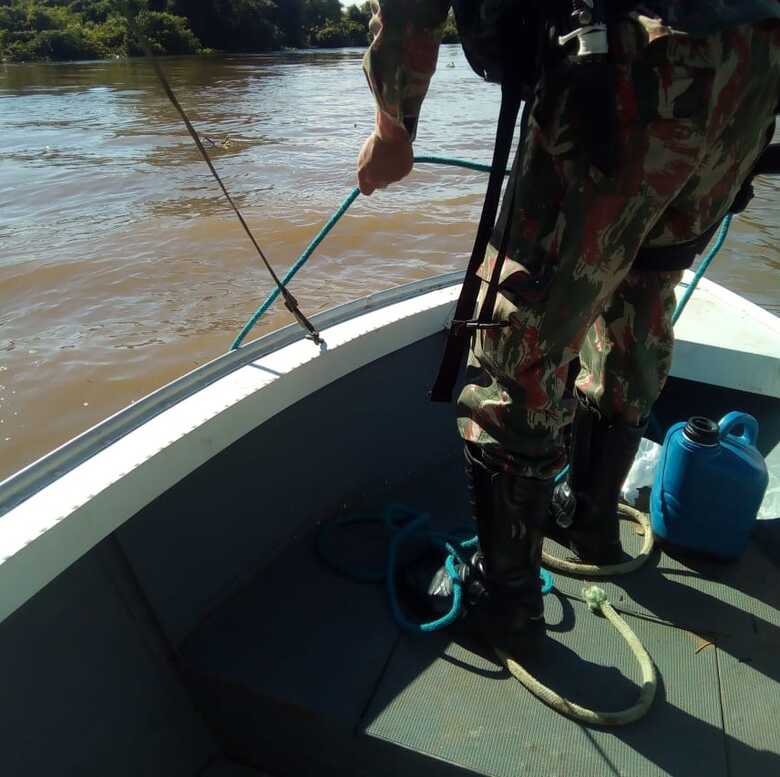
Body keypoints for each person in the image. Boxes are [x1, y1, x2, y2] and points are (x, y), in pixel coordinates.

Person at [357, 1, 780, 648]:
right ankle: (588, 517)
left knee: (517, 335)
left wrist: (394, 127)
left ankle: (506, 604)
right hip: (753, 72)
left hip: (629, 70)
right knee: (643, 289)